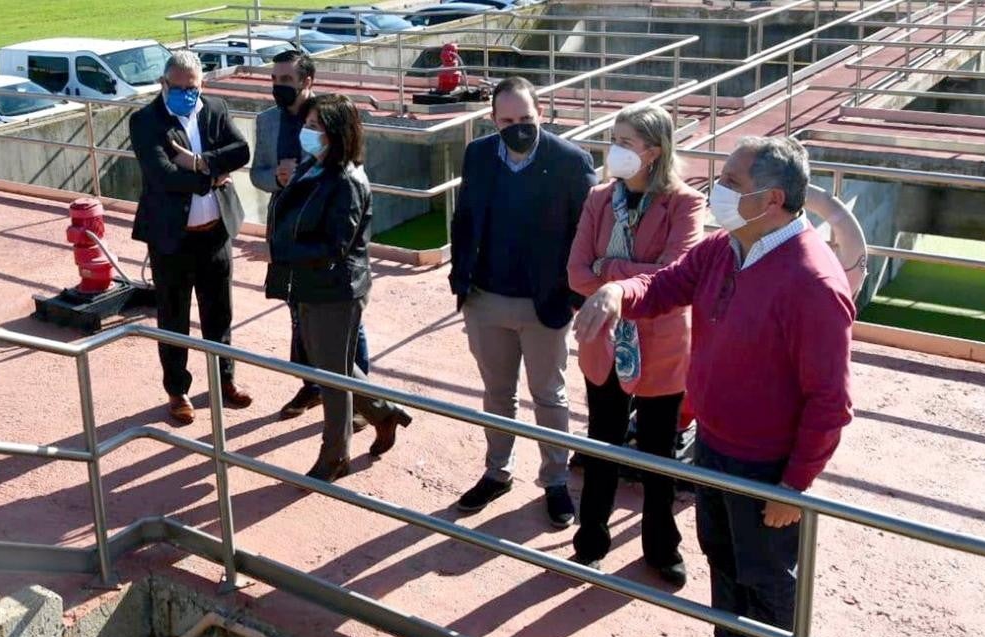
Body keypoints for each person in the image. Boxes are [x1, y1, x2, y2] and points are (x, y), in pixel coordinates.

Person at [573, 136, 854, 637]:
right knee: (721, 554)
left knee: (768, 582)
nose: (716, 189)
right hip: (715, 445)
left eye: (730, 182)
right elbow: (667, 284)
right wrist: (616, 293)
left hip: (767, 465)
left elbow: (830, 402)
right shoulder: (727, 247)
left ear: (771, 199)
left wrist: (793, 487)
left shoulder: (813, 282)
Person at [448, 76, 599, 527]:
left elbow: (586, 233)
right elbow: (465, 219)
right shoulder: (478, 154)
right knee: (497, 393)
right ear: (493, 120)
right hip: (485, 299)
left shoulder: (571, 162)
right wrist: (461, 280)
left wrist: (573, 297)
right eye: (507, 120)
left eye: (526, 119)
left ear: (541, 114)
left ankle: (554, 481)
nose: (517, 128)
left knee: (549, 395)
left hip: (544, 305)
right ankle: (497, 472)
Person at [566, 102, 705, 585]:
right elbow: (576, 273)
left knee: (656, 455)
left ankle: (660, 546)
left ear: (653, 151)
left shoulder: (686, 204)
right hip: (603, 344)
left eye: (625, 142)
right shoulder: (600, 198)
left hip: (662, 347)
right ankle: (590, 543)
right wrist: (620, 275)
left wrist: (610, 272)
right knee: (600, 445)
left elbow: (675, 275)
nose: (615, 149)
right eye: (614, 138)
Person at [263, 95, 412, 482]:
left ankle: (335, 457)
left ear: (338, 134)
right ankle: (383, 411)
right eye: (307, 124)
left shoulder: (346, 180)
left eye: (316, 127)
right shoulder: (314, 167)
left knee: (332, 378)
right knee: (333, 365)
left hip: (335, 289)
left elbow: (335, 245)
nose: (307, 133)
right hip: (310, 283)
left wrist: (285, 249)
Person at [129, 50, 252, 425]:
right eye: (178, 86)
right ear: (163, 84)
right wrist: (212, 176)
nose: (186, 93)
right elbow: (163, 174)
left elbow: (241, 150)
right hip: (172, 239)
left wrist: (199, 162)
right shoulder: (146, 120)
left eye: (192, 87)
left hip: (215, 235)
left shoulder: (214, 108)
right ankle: (177, 390)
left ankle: (224, 380)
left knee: (220, 315)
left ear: (203, 84)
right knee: (173, 318)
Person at [249, 50, 371, 424]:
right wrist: (278, 179)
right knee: (298, 312)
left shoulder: (327, 117)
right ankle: (311, 384)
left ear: (307, 81)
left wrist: (304, 172)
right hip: (288, 233)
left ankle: (364, 400)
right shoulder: (267, 121)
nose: (278, 87)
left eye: (286, 80)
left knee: (346, 324)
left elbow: (347, 167)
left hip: (325, 239)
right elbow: (257, 174)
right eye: (274, 79)